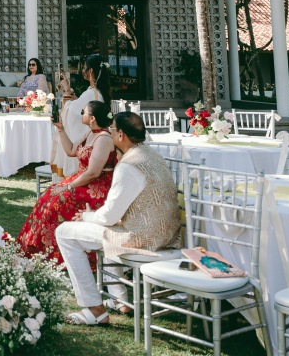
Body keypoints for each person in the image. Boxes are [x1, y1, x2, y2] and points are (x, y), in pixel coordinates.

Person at [55, 111, 181, 326]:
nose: (110, 133)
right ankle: (120, 299)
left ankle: (94, 309)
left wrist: (86, 216)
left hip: (142, 239)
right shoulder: (154, 156)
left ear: (121, 135)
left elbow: (109, 215)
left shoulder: (129, 165)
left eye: (112, 130)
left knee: (64, 233)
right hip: (168, 236)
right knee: (109, 232)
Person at [18, 100, 116, 264]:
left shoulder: (103, 139)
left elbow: (93, 173)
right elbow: (71, 151)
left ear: (92, 118)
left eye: (83, 112)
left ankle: (55, 253)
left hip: (96, 186)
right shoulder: (90, 132)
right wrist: (61, 129)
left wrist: (68, 187)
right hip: (82, 179)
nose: (81, 114)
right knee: (49, 194)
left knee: (57, 201)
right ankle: (35, 247)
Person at [54, 54, 112, 177]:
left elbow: (71, 111)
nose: (82, 70)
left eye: (85, 67)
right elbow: (79, 104)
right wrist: (70, 91)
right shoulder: (96, 91)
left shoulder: (91, 93)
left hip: (88, 141)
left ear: (90, 71)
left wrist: (67, 90)